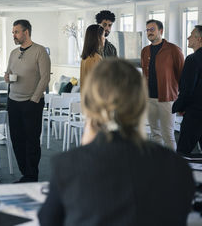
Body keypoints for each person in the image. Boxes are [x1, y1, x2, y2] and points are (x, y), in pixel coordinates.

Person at [38, 58, 195, 226]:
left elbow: (48, 220)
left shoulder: (68, 166)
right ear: (141, 103)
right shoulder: (178, 167)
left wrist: (86, 148)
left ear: (90, 105)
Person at [4, 19, 50, 183]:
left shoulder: (40, 51)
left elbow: (44, 78)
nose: (14, 35)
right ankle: (25, 174)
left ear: (26, 32)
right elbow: (8, 73)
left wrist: (34, 100)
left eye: (16, 32)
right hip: (13, 101)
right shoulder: (14, 53)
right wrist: (7, 77)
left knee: (31, 140)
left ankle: (32, 175)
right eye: (13, 32)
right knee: (17, 140)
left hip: (32, 103)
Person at [141, 19, 184, 150]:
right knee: (155, 133)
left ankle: (172, 166)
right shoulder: (145, 51)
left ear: (161, 31)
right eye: (147, 30)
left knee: (168, 135)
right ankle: (158, 163)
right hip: (149, 99)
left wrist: (182, 100)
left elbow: (182, 75)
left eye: (152, 29)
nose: (149, 32)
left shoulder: (173, 50)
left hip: (167, 99)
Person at [173, 25, 202, 154]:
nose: (188, 37)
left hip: (195, 114)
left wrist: (179, 106)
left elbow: (187, 89)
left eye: (191, 35)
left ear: (199, 39)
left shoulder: (192, 59)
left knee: (182, 153)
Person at [80, 24, 104, 91]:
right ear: (97, 38)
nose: (104, 38)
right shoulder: (97, 58)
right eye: (103, 35)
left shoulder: (84, 58)